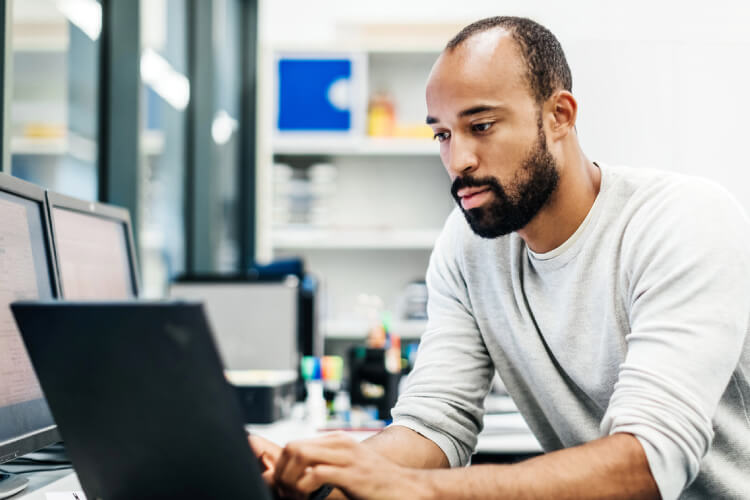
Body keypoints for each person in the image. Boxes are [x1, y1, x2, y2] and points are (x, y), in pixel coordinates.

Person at [251, 16, 750, 500]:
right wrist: (319, 481)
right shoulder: (469, 247)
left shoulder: (682, 221)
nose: (458, 160)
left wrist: (408, 489)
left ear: (560, 115)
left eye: (482, 125)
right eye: (443, 135)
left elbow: (649, 461)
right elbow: (433, 424)